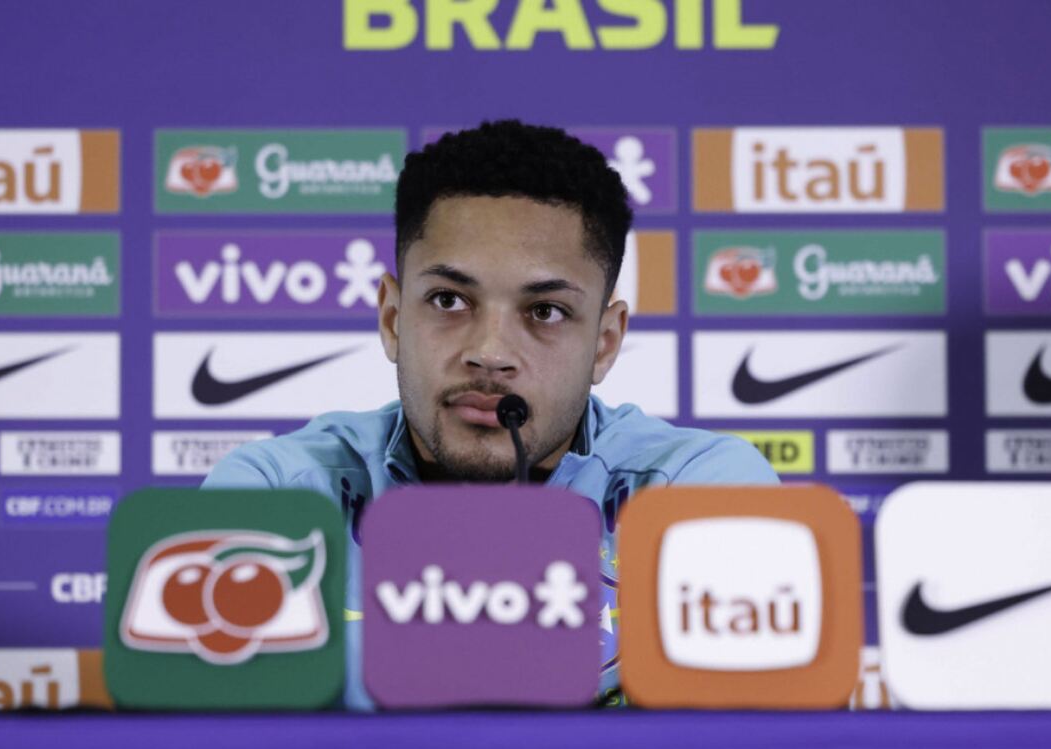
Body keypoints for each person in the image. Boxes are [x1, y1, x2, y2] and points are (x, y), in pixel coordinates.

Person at [204, 119, 778, 707]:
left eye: (545, 311)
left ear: (605, 343)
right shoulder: (279, 494)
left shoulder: (696, 490)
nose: (490, 352)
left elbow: (739, 742)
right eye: (449, 300)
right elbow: (226, 726)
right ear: (393, 320)